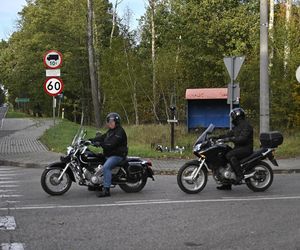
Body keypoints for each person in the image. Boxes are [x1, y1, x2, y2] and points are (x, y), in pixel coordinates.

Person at [90, 112, 128, 197]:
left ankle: (106, 190)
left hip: (117, 155)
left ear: (116, 122)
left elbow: (111, 144)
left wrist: (100, 144)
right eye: (109, 122)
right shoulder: (111, 131)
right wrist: (90, 140)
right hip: (110, 154)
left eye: (111, 122)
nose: (109, 124)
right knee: (95, 159)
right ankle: (97, 184)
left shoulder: (119, 132)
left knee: (106, 167)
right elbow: (102, 137)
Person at [216, 108, 253, 190]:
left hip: (246, 149)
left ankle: (240, 176)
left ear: (238, 116)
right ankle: (226, 184)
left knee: (230, 155)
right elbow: (228, 135)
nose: (232, 118)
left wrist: (230, 139)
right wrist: (216, 137)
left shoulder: (247, 126)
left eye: (233, 116)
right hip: (239, 148)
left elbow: (242, 139)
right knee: (223, 154)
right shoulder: (237, 127)